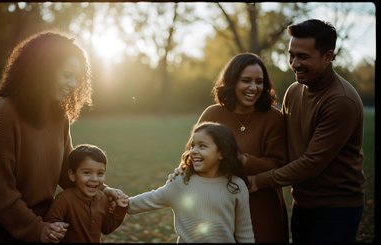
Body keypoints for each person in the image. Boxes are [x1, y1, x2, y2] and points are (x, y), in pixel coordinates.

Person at [0, 31, 124, 243]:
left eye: (77, 78)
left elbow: (67, 171)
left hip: (44, 220)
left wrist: (103, 191)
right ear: (43, 71)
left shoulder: (59, 115)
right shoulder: (3, 113)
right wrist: (37, 229)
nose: (72, 84)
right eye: (66, 75)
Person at [248, 19, 366, 243]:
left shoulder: (341, 101)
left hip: (337, 208)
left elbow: (312, 163)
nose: (294, 63)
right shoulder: (293, 91)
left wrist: (256, 181)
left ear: (327, 57)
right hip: (303, 202)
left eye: (303, 57)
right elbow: (281, 145)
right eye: (291, 55)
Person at [170, 53, 289, 242]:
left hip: (260, 208)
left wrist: (242, 160)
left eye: (259, 81)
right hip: (216, 208)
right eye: (246, 80)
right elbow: (192, 154)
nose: (253, 87)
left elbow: (280, 166)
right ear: (232, 82)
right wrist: (181, 171)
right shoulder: (212, 113)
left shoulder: (273, 118)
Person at [128, 122, 255, 243]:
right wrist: (117, 201)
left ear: (222, 153)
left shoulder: (236, 186)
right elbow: (147, 200)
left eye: (202, 146)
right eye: (193, 145)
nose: (193, 151)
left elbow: (244, 232)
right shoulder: (181, 182)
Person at [44, 144, 129, 242]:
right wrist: (56, 229)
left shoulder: (103, 199)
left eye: (100, 173)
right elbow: (50, 224)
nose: (94, 179)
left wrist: (121, 209)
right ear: (72, 175)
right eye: (87, 172)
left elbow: (106, 228)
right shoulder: (64, 199)